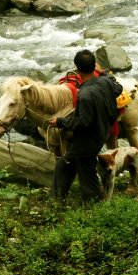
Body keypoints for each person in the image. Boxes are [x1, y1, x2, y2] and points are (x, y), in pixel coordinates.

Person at [48, 49, 123, 201]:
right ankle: (57, 200)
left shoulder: (84, 94)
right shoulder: (105, 82)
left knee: (87, 177)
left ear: (77, 68)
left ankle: (92, 205)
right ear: (94, 66)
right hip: (101, 133)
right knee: (64, 166)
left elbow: (82, 123)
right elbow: (119, 88)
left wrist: (60, 122)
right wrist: (103, 72)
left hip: (87, 141)